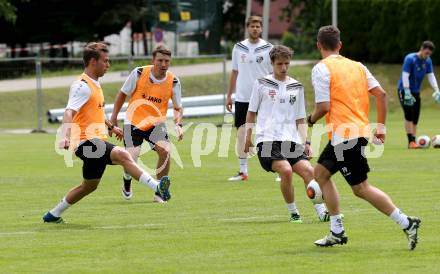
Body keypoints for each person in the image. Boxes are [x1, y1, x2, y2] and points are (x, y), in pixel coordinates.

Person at [308, 25, 420, 250]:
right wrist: (381, 128)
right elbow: (382, 94)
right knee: (320, 174)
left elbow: (323, 107)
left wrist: (309, 120)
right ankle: (337, 231)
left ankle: (407, 222)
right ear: (339, 45)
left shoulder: (321, 68)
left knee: (361, 188)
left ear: (319, 45)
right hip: (352, 133)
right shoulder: (358, 66)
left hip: (345, 135)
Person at [42, 42, 171, 223]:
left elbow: (96, 113)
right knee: (122, 154)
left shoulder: (95, 84)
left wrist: (111, 127)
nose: (108, 65)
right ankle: (157, 186)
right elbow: (69, 111)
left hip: (96, 141)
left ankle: (53, 214)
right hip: (85, 142)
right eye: (105, 61)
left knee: (89, 186)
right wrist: (64, 136)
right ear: (93, 62)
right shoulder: (82, 85)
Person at [244, 45, 329, 223]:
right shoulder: (261, 84)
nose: (283, 68)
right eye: (280, 64)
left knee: (309, 171)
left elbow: (300, 118)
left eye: (286, 64)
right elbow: (251, 112)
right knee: (286, 171)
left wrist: (306, 142)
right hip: (266, 140)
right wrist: (247, 138)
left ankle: (322, 212)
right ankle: (294, 212)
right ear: (272, 63)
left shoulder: (296, 86)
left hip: (290, 140)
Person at [110, 45, 183, 202]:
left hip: (155, 124)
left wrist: (178, 124)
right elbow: (122, 94)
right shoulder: (139, 73)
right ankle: (127, 179)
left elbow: (178, 108)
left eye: (167, 61)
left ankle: (159, 192)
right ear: (153, 60)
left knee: (165, 151)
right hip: (133, 121)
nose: (163, 64)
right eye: (160, 60)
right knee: (132, 158)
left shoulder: (174, 81)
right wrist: (114, 117)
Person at [225, 15, 274, 181]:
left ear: (261, 28)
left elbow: (274, 74)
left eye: (258, 26)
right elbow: (234, 71)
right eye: (252, 26)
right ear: (248, 28)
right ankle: (243, 171)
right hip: (243, 98)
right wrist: (229, 95)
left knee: (271, 132)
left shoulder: (268, 48)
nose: (255, 28)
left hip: (265, 97)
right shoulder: (239, 48)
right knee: (241, 133)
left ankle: (280, 167)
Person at [397, 41, 440, 148]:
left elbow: (430, 75)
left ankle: (414, 140)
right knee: (409, 114)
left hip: (416, 91)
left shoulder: (428, 61)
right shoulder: (410, 59)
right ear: (421, 49)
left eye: (429, 54)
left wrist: (437, 90)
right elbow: (405, 75)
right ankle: (410, 141)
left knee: (415, 116)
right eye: (426, 53)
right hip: (404, 90)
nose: (427, 56)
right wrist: (406, 91)